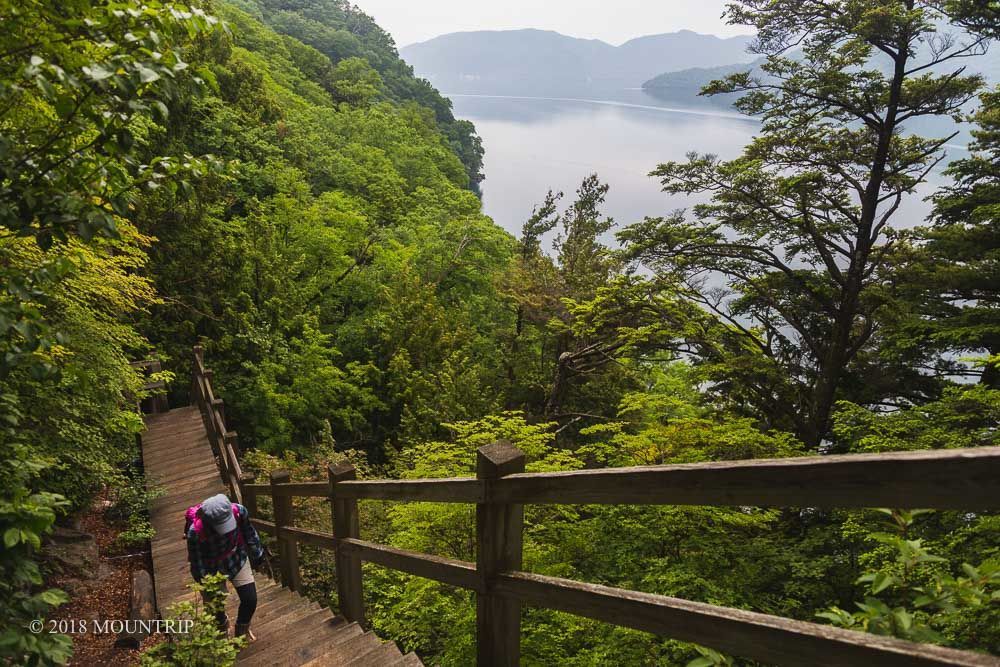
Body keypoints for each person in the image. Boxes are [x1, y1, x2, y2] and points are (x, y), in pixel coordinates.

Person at [185, 493, 264, 641]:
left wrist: (257, 553)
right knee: (215, 607)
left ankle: (242, 629)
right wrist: (204, 583)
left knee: (250, 599)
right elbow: (197, 562)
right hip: (211, 569)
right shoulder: (195, 532)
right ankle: (222, 628)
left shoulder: (239, 511)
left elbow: (249, 532)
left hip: (236, 558)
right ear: (208, 521)